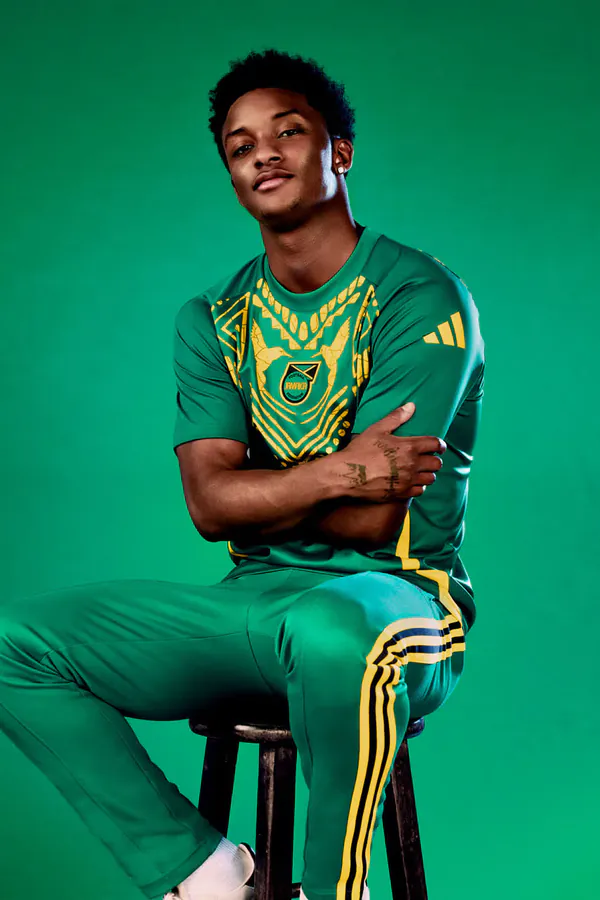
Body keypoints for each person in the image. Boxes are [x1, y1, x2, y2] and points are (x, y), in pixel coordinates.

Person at [0, 48, 485, 900]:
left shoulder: (418, 295)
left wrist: (265, 493)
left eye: (287, 132)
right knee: (13, 644)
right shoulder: (214, 319)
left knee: (336, 629)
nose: (263, 153)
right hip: (254, 603)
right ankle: (208, 873)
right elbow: (210, 507)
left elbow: (374, 522)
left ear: (339, 151)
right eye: (240, 145)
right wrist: (340, 471)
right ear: (231, 173)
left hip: (398, 602)